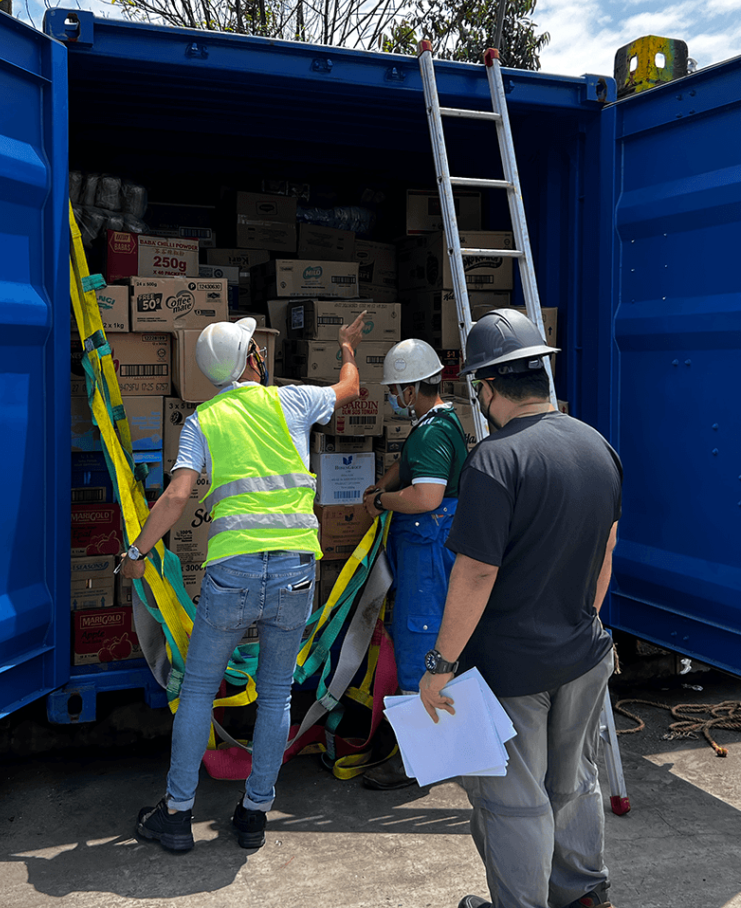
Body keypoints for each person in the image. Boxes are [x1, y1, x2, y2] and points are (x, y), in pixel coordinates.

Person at [119, 310, 368, 853]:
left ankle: (177, 815)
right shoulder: (293, 401)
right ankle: (254, 814)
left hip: (231, 574)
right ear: (254, 359)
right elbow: (351, 388)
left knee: (199, 694)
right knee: (277, 697)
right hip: (296, 571)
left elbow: (177, 496)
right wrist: (347, 347)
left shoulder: (203, 420)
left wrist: (136, 554)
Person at [418, 309, 623, 908]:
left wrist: (439, 665)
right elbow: (607, 548)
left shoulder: (494, 460)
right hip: (584, 655)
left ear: (485, 388)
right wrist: (580, 622)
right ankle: (584, 894)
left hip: (513, 670)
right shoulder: (596, 445)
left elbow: (477, 572)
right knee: (575, 780)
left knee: (513, 800)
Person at [359, 338, 468, 790]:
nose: (392, 397)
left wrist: (381, 501)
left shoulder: (433, 431)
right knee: (419, 640)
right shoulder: (435, 425)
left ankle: (418, 760)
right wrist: (379, 491)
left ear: (411, 388)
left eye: (396, 388)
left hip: (428, 553)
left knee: (418, 645)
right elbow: (407, 469)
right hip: (424, 549)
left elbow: (426, 496)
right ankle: (429, 749)